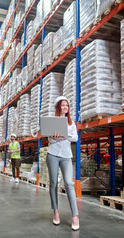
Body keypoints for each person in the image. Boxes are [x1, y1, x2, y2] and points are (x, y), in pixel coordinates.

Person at [46, 96, 79, 231]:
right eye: (62, 105)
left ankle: (75, 216)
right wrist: (53, 137)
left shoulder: (71, 123)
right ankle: (56, 211)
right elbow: (50, 139)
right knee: (53, 183)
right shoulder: (53, 122)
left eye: (67, 105)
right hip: (52, 154)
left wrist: (65, 136)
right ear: (58, 107)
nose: (65, 107)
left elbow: (75, 138)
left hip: (66, 156)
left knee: (69, 183)